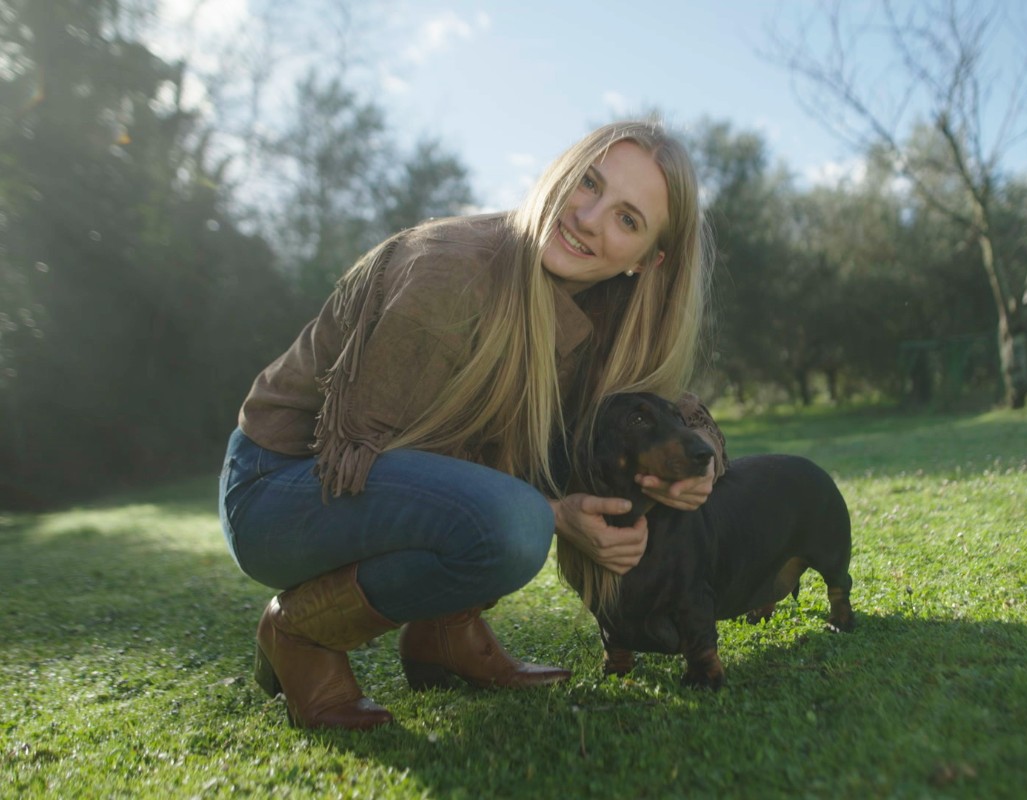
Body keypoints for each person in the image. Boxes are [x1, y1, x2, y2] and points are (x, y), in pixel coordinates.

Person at [218, 120, 728, 730]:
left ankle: (445, 633)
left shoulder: (608, 312)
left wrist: (694, 472)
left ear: (649, 260)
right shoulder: (450, 273)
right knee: (513, 522)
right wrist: (557, 512)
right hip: (287, 486)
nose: (589, 217)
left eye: (627, 219)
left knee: (539, 482)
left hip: (383, 486)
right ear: (561, 171)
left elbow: (677, 414)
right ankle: (299, 631)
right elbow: (381, 459)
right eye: (588, 182)